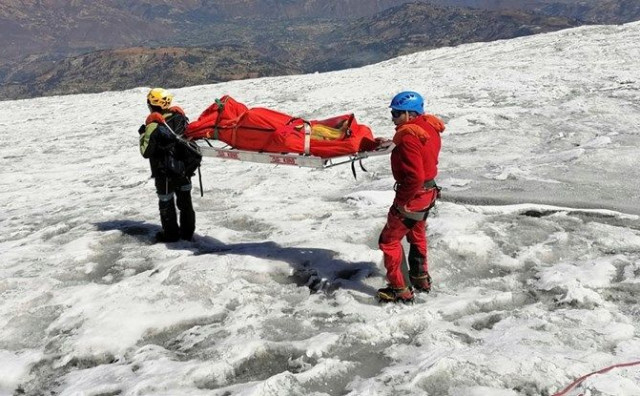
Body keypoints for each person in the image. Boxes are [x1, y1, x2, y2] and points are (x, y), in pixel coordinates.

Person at [376, 91, 445, 303]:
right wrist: (393, 142)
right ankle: (420, 277)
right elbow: (420, 149)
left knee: (389, 241)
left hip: (414, 196)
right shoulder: (428, 126)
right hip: (428, 193)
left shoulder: (408, 137)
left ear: (409, 113)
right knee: (416, 233)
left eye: (396, 114)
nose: (393, 118)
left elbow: (414, 176)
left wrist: (401, 203)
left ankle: (400, 289)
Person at [138, 88, 196, 242]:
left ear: (152, 104)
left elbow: (146, 152)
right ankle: (187, 234)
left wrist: (143, 134)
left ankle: (171, 235)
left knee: (166, 202)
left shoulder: (153, 125)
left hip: (164, 172)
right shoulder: (180, 117)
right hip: (184, 170)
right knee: (185, 202)